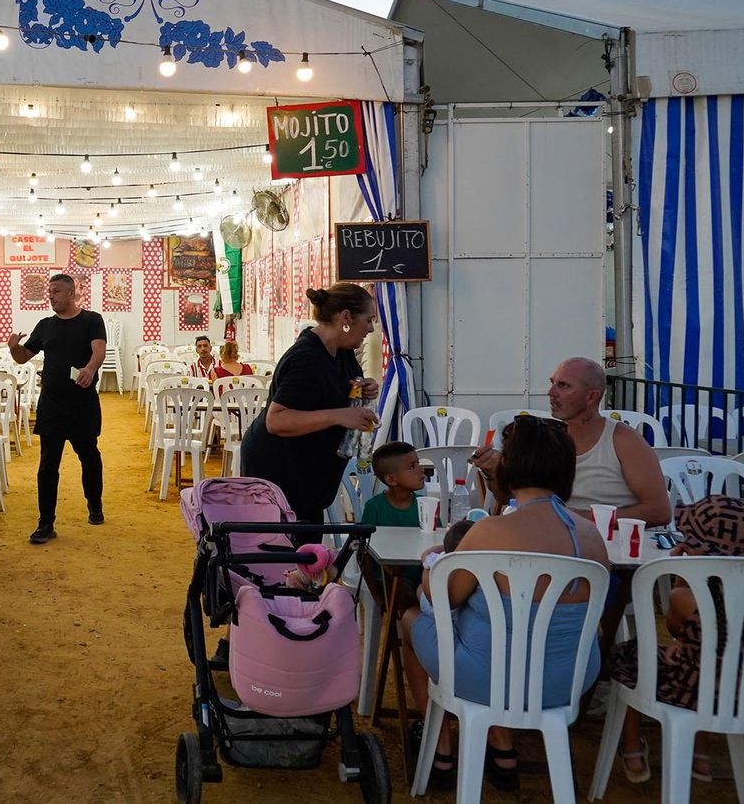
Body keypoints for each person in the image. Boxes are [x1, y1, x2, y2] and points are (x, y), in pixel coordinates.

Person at [399, 415, 610, 792]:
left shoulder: (491, 531)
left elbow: (442, 599)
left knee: (413, 619)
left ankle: (442, 749)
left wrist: (434, 564)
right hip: (567, 680)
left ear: (510, 465)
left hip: (487, 677)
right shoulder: (591, 534)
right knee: (502, 635)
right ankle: (501, 746)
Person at [611, 496, 744, 785]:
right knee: (710, 662)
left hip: (698, 690)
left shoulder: (685, 598)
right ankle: (701, 754)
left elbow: (674, 629)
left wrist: (684, 575)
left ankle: (632, 748)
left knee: (635, 655)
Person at [240, 284, 380, 524]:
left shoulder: (342, 350)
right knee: (286, 554)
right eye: (369, 320)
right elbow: (276, 420)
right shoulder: (306, 358)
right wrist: (339, 416)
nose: (371, 328)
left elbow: (338, 388)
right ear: (346, 317)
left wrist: (364, 388)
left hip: (308, 471)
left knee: (308, 551)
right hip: (280, 469)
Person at [469, 357, 669, 526]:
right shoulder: (547, 436)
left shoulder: (624, 440)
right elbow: (508, 498)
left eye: (563, 385)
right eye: (552, 383)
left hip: (608, 551)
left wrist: (576, 518)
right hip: (550, 541)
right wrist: (494, 472)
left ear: (591, 397)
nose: (551, 393)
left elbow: (659, 512)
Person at [8, 272, 107, 544]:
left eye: (56, 291)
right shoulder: (45, 325)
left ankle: (94, 504)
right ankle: (45, 523)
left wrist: (89, 369)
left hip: (82, 401)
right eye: (49, 291)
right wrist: (14, 347)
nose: (50, 295)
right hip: (51, 403)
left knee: (88, 455)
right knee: (47, 465)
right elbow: (22, 358)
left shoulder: (91, 320)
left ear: (72, 293)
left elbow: (99, 349)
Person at [360, 441, 427, 590]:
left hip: (424, 577)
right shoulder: (375, 507)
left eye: (418, 463)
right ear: (391, 479)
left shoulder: (425, 505)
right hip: (388, 580)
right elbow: (363, 553)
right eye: (412, 466)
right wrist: (376, 593)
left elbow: (437, 543)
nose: (421, 470)